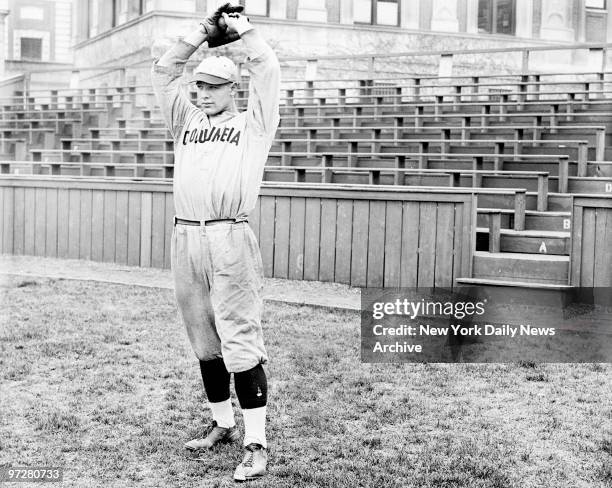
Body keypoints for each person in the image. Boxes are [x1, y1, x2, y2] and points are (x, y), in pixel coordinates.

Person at [151, 3, 280, 482]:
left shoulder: (253, 125)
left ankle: (256, 443)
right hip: (185, 234)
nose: (200, 92)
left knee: (240, 341)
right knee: (204, 339)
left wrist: (242, 29)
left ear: (231, 88)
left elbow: (266, 68)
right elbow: (165, 69)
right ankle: (222, 424)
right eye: (198, 85)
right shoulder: (186, 121)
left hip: (229, 235)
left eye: (210, 86)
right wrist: (202, 32)